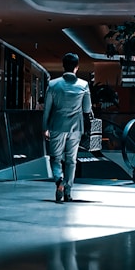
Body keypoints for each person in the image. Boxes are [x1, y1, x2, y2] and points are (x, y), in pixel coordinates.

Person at [42, 52, 92, 202]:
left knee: (55, 158)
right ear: (77, 67)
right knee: (71, 160)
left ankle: (59, 181)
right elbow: (87, 109)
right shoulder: (83, 85)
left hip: (57, 125)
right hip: (76, 127)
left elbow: (47, 109)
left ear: (63, 66)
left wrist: (45, 127)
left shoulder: (53, 84)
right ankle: (68, 191)